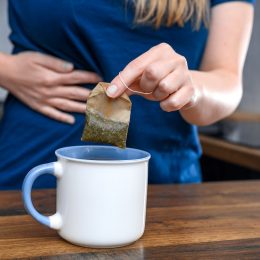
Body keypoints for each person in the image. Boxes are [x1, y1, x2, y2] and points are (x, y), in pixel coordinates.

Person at [0, 0, 255, 189]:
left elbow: (228, 82)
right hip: (31, 179)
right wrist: (6, 70)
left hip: (163, 190)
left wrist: (190, 87)